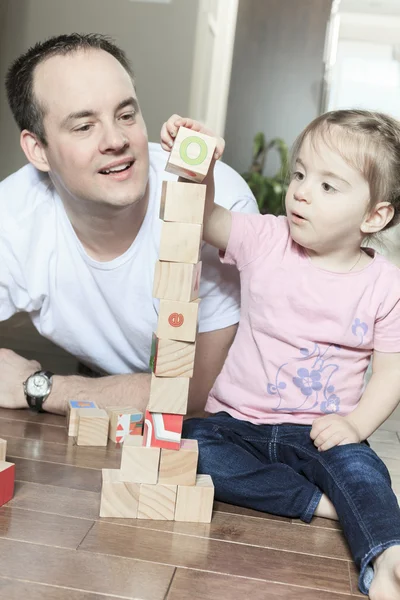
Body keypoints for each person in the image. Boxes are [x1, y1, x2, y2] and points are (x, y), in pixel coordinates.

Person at [160, 111, 400, 598]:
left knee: (365, 470)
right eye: (299, 174)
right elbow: (206, 219)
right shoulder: (266, 239)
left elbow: (391, 373)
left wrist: (354, 427)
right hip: (234, 421)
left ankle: (389, 558)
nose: (302, 191)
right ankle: (319, 502)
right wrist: (199, 169)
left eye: (328, 186)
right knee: (187, 447)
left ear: (375, 215)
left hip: (320, 431)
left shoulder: (385, 284)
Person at [0, 33, 258, 415]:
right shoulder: (13, 215)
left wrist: (41, 388)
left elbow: (197, 394)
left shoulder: (214, 204)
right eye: (83, 126)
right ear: (38, 150)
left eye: (126, 115)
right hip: (114, 401)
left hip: (249, 420)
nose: (117, 140)